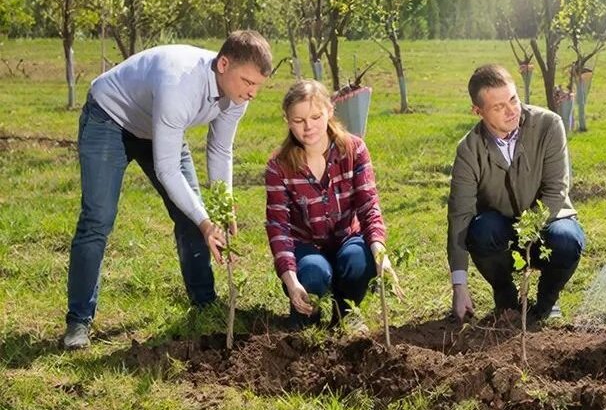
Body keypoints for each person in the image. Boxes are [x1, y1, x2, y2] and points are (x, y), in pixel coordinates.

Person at [64, 30, 273, 350]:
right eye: (248, 82)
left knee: (192, 214)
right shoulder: (180, 84)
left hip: (157, 127)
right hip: (109, 116)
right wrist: (206, 222)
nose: (253, 93)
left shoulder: (238, 95)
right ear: (224, 64)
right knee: (98, 218)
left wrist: (222, 205)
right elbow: (167, 169)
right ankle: (79, 320)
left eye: (258, 85)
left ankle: (205, 303)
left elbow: (220, 150)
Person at [448, 64, 585, 323]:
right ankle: (506, 298)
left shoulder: (549, 125)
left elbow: (556, 192)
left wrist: (527, 237)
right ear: (477, 111)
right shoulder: (469, 150)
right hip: (499, 230)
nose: (512, 111)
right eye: (498, 107)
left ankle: (546, 303)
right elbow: (459, 216)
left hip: (549, 223)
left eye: (513, 99)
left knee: (567, 240)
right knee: (480, 231)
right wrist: (459, 286)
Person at [265, 80, 401, 330]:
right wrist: (292, 281)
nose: (308, 127)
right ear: (287, 120)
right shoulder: (278, 166)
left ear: (330, 111)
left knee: (360, 260)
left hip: (347, 238)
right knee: (313, 272)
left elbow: (369, 206)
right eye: (299, 120)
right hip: (306, 246)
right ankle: (308, 317)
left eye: (316, 116)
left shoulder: (353, 149)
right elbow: (278, 228)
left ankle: (346, 313)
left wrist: (382, 256)